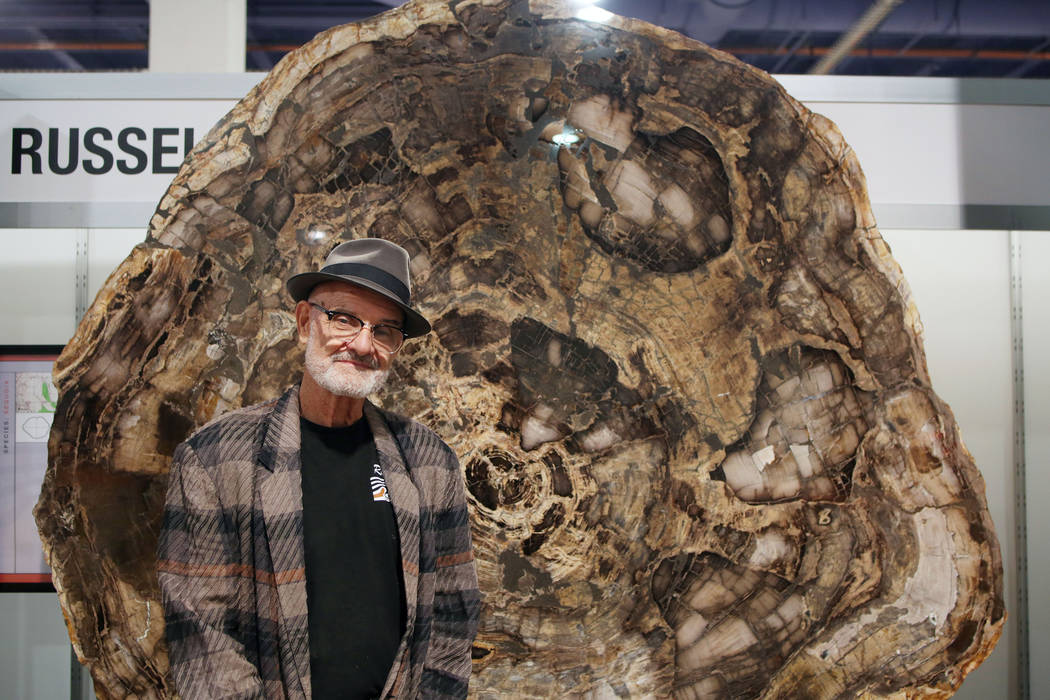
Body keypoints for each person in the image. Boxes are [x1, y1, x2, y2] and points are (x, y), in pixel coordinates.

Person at [157, 238, 481, 699]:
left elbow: (454, 614)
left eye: (385, 330)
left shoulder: (430, 462)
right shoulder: (214, 459)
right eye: (345, 319)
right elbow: (202, 634)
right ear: (306, 321)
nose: (363, 344)